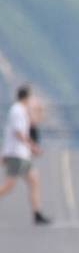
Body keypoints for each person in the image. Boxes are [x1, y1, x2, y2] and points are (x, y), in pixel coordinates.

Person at [0, 85, 50, 224]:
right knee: (8, 185)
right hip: (17, 153)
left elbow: (34, 122)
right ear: (27, 97)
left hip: (23, 154)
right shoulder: (17, 110)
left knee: (34, 180)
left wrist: (39, 108)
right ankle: (37, 213)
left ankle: (37, 213)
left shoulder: (22, 110)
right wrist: (33, 146)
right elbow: (19, 133)